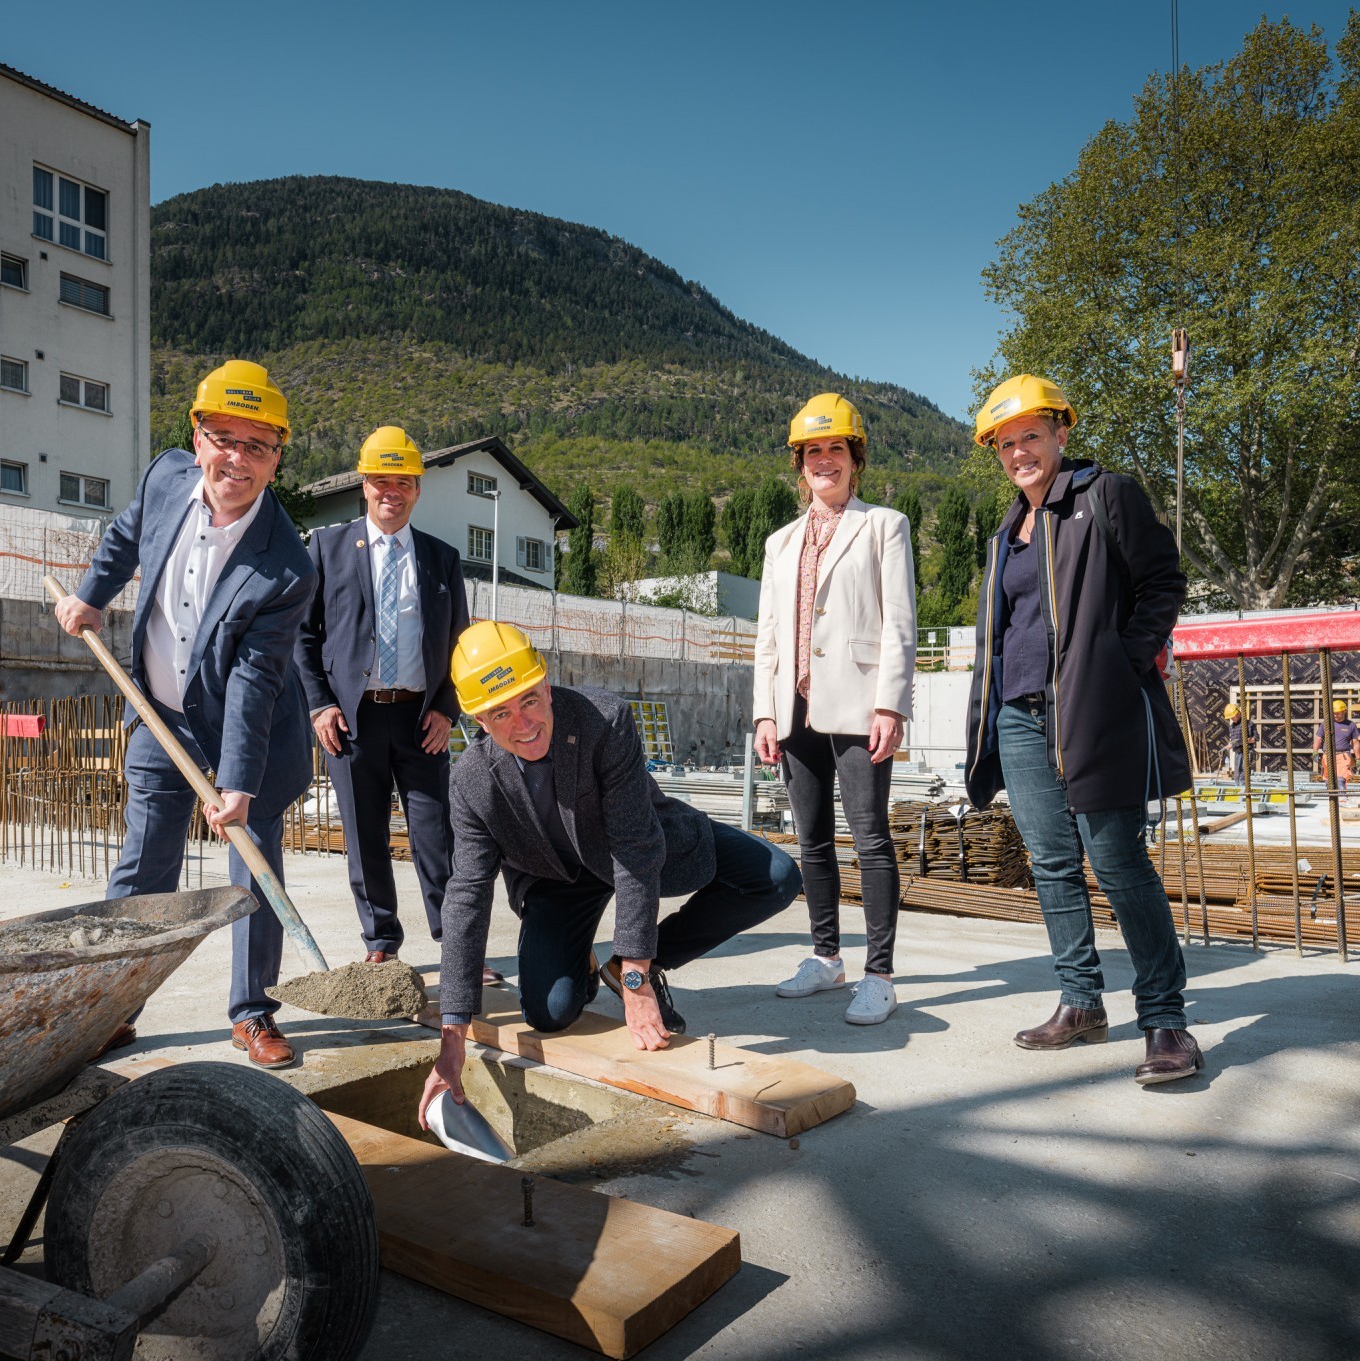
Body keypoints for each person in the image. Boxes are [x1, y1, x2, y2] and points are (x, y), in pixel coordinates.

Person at [417, 623, 803, 1122]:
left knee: (774, 875)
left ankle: (624, 965)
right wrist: (453, 1038)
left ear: (547, 685)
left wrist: (639, 976)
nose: (524, 722)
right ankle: (582, 966)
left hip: (632, 842)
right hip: (554, 880)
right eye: (501, 713)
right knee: (549, 1013)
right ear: (478, 721)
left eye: (530, 700)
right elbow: (466, 896)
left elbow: (636, 848)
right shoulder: (471, 781)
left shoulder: (603, 720)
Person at [56, 359, 315, 1070]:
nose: (237, 457)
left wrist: (238, 780)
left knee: (252, 873)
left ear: (277, 458)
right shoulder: (165, 476)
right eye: (224, 437)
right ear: (197, 436)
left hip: (246, 732)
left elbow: (258, 677)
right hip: (160, 711)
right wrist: (91, 595)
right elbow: (124, 536)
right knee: (144, 867)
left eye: (257, 445)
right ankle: (113, 1007)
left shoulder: (288, 564)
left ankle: (253, 1012)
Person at [962, 374, 1202, 1085]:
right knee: (1053, 862)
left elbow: (1164, 581)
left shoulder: (1105, 497)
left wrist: (1121, 663)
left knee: (1118, 860)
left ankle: (1164, 1018)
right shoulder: (1006, 533)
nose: (1018, 452)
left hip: (1094, 711)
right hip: (1018, 715)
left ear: (1061, 433)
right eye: (1006, 443)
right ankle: (1080, 1002)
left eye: (1030, 435)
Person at [295, 426, 489, 977]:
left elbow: (459, 643)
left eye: (402, 482)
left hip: (418, 719)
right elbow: (302, 635)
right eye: (381, 480)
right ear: (364, 483)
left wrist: (447, 709)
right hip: (351, 720)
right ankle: (381, 941)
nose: (391, 492)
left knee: (437, 836)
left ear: (417, 489)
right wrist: (319, 705)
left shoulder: (442, 558)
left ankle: (457, 945)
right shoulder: (327, 549)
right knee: (366, 837)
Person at [752, 393, 917, 1026]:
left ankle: (879, 974)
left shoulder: (883, 526)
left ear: (855, 460)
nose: (825, 461)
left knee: (870, 836)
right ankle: (826, 958)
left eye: (836, 450)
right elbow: (768, 631)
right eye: (814, 451)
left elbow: (899, 621)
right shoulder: (780, 542)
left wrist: (890, 705)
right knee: (812, 839)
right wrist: (765, 712)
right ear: (801, 464)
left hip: (857, 704)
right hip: (793, 707)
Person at [1313, 699, 1359, 791]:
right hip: (1328, 755)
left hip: (1342, 755)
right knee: (1328, 781)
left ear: (1344, 712)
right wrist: (1315, 752)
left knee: (1340, 780)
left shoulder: (1350, 725)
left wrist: (1358, 759)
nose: (1335, 715)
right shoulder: (1326, 724)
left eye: (1338, 713)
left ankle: (1341, 801)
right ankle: (1332, 803)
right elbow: (1319, 739)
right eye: (1334, 713)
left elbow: (1356, 742)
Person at [1222, 701, 1245, 782]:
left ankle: (1243, 792)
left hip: (1245, 752)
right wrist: (1226, 747)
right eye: (1230, 717)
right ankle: (1239, 789)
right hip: (1238, 752)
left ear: (1238, 713)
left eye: (1233, 716)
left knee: (1243, 775)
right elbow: (1233, 740)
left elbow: (1250, 739)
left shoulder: (1246, 724)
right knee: (1237, 775)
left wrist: (1235, 743)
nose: (1232, 719)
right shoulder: (1232, 727)